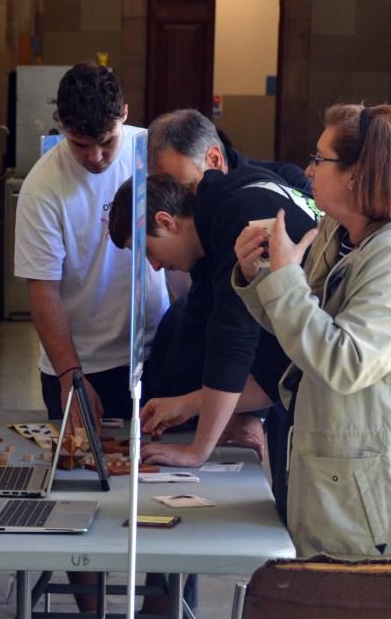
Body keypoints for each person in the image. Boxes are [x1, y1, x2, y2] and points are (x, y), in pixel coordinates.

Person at [233, 103, 391, 561]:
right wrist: (263, 277)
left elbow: (343, 362)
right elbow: (306, 336)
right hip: (347, 496)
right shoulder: (342, 234)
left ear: (359, 174)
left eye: (320, 160)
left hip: (387, 509)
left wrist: (284, 278)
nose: (308, 170)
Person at [14, 63, 185, 619]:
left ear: (126, 117)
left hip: (152, 349)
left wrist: (187, 343)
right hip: (77, 360)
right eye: (80, 144)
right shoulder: (42, 186)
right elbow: (43, 289)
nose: (93, 157)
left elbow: (187, 247)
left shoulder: (150, 155)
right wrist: (68, 370)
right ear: (60, 126)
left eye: (105, 143)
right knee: (78, 499)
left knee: (169, 490)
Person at [107, 168, 317, 469]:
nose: (153, 267)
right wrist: (190, 404)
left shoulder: (239, 218)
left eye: (148, 251)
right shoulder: (224, 204)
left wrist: (197, 451)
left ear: (165, 221)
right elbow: (273, 368)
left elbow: (235, 345)